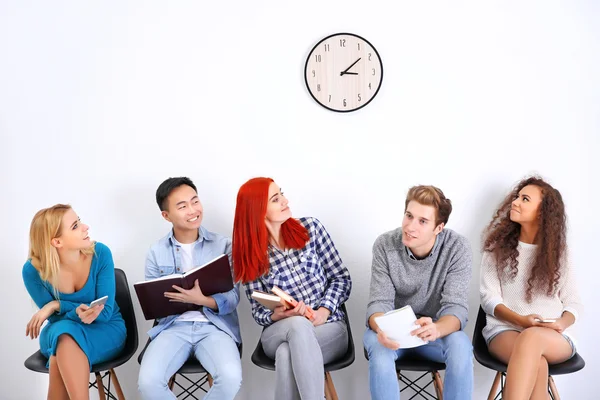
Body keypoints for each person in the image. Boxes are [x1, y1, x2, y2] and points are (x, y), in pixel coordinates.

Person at [232, 177, 352, 400]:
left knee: (286, 354)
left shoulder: (311, 229)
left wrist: (324, 311)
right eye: (276, 199)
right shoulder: (249, 255)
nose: (285, 201)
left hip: (329, 327)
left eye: (282, 194)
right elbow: (258, 312)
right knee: (296, 324)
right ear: (258, 210)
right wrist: (276, 314)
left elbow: (342, 279)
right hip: (279, 331)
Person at [364, 185, 473, 400]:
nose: (410, 226)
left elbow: (456, 307)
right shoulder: (385, 245)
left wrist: (438, 328)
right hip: (392, 333)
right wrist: (382, 328)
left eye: (422, 221)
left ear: (438, 228)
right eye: (409, 216)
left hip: (434, 333)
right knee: (378, 346)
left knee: (460, 344)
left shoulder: (457, 248)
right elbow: (379, 304)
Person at [138, 177, 242, 400]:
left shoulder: (223, 245)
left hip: (215, 327)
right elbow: (152, 307)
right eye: (182, 206)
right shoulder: (156, 251)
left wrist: (203, 299)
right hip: (172, 328)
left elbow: (233, 298)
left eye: (195, 201)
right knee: (148, 383)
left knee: (230, 377)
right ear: (166, 216)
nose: (192, 210)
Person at [480, 176, 583, 399]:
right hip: (504, 331)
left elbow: (573, 303)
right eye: (517, 197)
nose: (515, 202)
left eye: (525, 199)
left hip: (552, 337)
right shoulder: (496, 249)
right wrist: (520, 320)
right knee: (537, 361)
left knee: (533, 339)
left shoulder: (560, 254)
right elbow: (488, 299)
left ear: (542, 212)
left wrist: (560, 324)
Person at [22, 204, 126, 400]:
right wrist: (74, 311)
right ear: (57, 242)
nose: (86, 227)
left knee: (58, 356)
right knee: (64, 334)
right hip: (60, 330)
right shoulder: (32, 271)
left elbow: (105, 312)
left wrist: (56, 305)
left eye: (80, 221)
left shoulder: (100, 254)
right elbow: (56, 321)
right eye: (75, 226)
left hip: (106, 329)